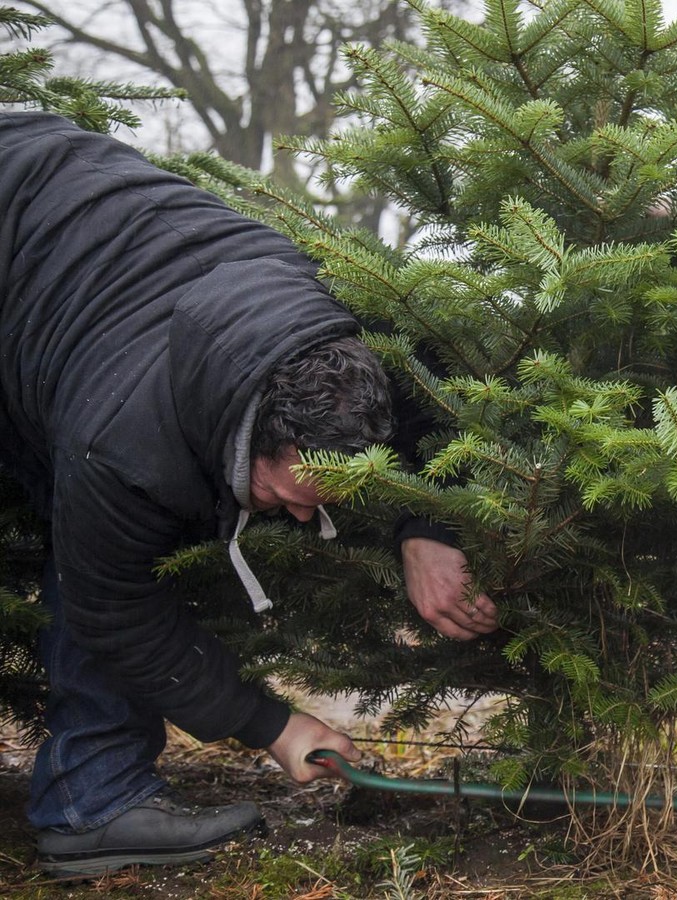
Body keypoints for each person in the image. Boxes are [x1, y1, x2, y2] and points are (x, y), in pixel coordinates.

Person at [0, 111, 497, 877]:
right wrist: (272, 725)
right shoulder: (123, 448)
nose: (303, 514)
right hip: (27, 229)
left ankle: (91, 791)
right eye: (287, 490)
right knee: (103, 552)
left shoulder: (360, 339)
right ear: (248, 435)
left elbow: (439, 413)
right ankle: (92, 804)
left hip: (71, 218)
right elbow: (117, 608)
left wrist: (425, 526)